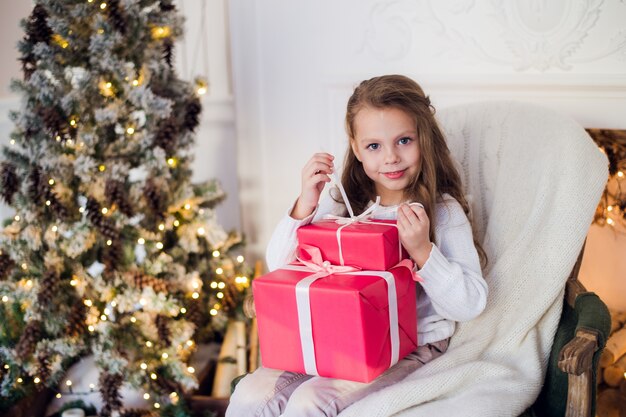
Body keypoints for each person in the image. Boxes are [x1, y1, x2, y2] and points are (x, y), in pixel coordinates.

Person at [226, 75, 488, 417]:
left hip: (408, 346)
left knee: (310, 402)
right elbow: (281, 265)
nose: (391, 157)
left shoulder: (443, 212)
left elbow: (469, 304)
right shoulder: (341, 205)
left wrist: (423, 251)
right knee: (249, 394)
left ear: (425, 138)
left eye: (404, 140)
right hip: (335, 339)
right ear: (355, 146)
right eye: (374, 146)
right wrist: (305, 203)